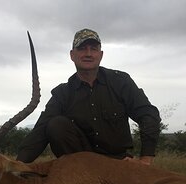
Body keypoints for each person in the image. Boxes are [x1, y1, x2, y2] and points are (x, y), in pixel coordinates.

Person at [17, 28, 161, 165]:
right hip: (82, 166)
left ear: (101, 55)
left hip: (118, 163)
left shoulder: (121, 81)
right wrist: (16, 164)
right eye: (82, 48)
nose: (88, 53)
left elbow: (148, 114)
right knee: (56, 124)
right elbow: (39, 133)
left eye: (93, 49)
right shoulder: (62, 93)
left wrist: (145, 159)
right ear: (72, 55)